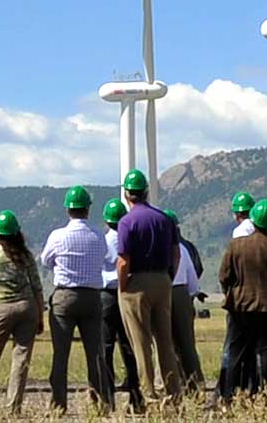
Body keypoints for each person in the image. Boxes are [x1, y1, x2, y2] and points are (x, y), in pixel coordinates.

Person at [215, 199, 267, 407]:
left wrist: (233, 293)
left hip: (241, 308)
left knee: (235, 353)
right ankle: (264, 396)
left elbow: (224, 275)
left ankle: (227, 397)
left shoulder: (236, 246)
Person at [113, 169, 183, 411]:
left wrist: (123, 286)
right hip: (163, 280)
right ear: (145, 192)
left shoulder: (126, 222)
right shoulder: (164, 219)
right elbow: (176, 252)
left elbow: (123, 260)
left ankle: (150, 395)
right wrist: (169, 276)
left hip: (136, 283)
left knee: (141, 343)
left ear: (126, 194)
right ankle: (174, 394)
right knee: (165, 340)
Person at [41, 186, 112, 415]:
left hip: (64, 296)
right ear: (88, 209)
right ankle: (102, 402)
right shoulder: (98, 235)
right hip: (92, 297)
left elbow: (45, 261)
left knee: (60, 355)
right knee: (96, 354)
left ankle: (59, 404)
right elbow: (103, 257)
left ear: (67, 209)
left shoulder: (57, 236)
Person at [0, 209, 44, 415]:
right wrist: (41, 316)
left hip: (2, 307)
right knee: (21, 359)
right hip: (27, 306)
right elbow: (37, 287)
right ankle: (13, 407)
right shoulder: (26, 255)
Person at [97, 196, 143, 407]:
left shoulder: (103, 241)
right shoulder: (132, 239)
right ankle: (136, 395)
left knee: (106, 347)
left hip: (106, 295)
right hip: (126, 292)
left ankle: (107, 398)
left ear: (106, 220)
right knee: (129, 346)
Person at [213, 190, 258, 397]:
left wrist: (228, 292)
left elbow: (227, 271)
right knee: (252, 347)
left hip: (240, 298)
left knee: (232, 345)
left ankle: (225, 389)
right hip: (259, 299)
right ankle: (250, 386)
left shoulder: (239, 234)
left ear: (237, 213)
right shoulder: (260, 231)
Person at [163, 209, 205, 396]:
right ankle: (196, 384)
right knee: (187, 344)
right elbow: (193, 277)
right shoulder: (183, 249)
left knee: (164, 344)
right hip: (181, 294)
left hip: (161, 293)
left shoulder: (155, 246)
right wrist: (192, 295)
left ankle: (171, 386)